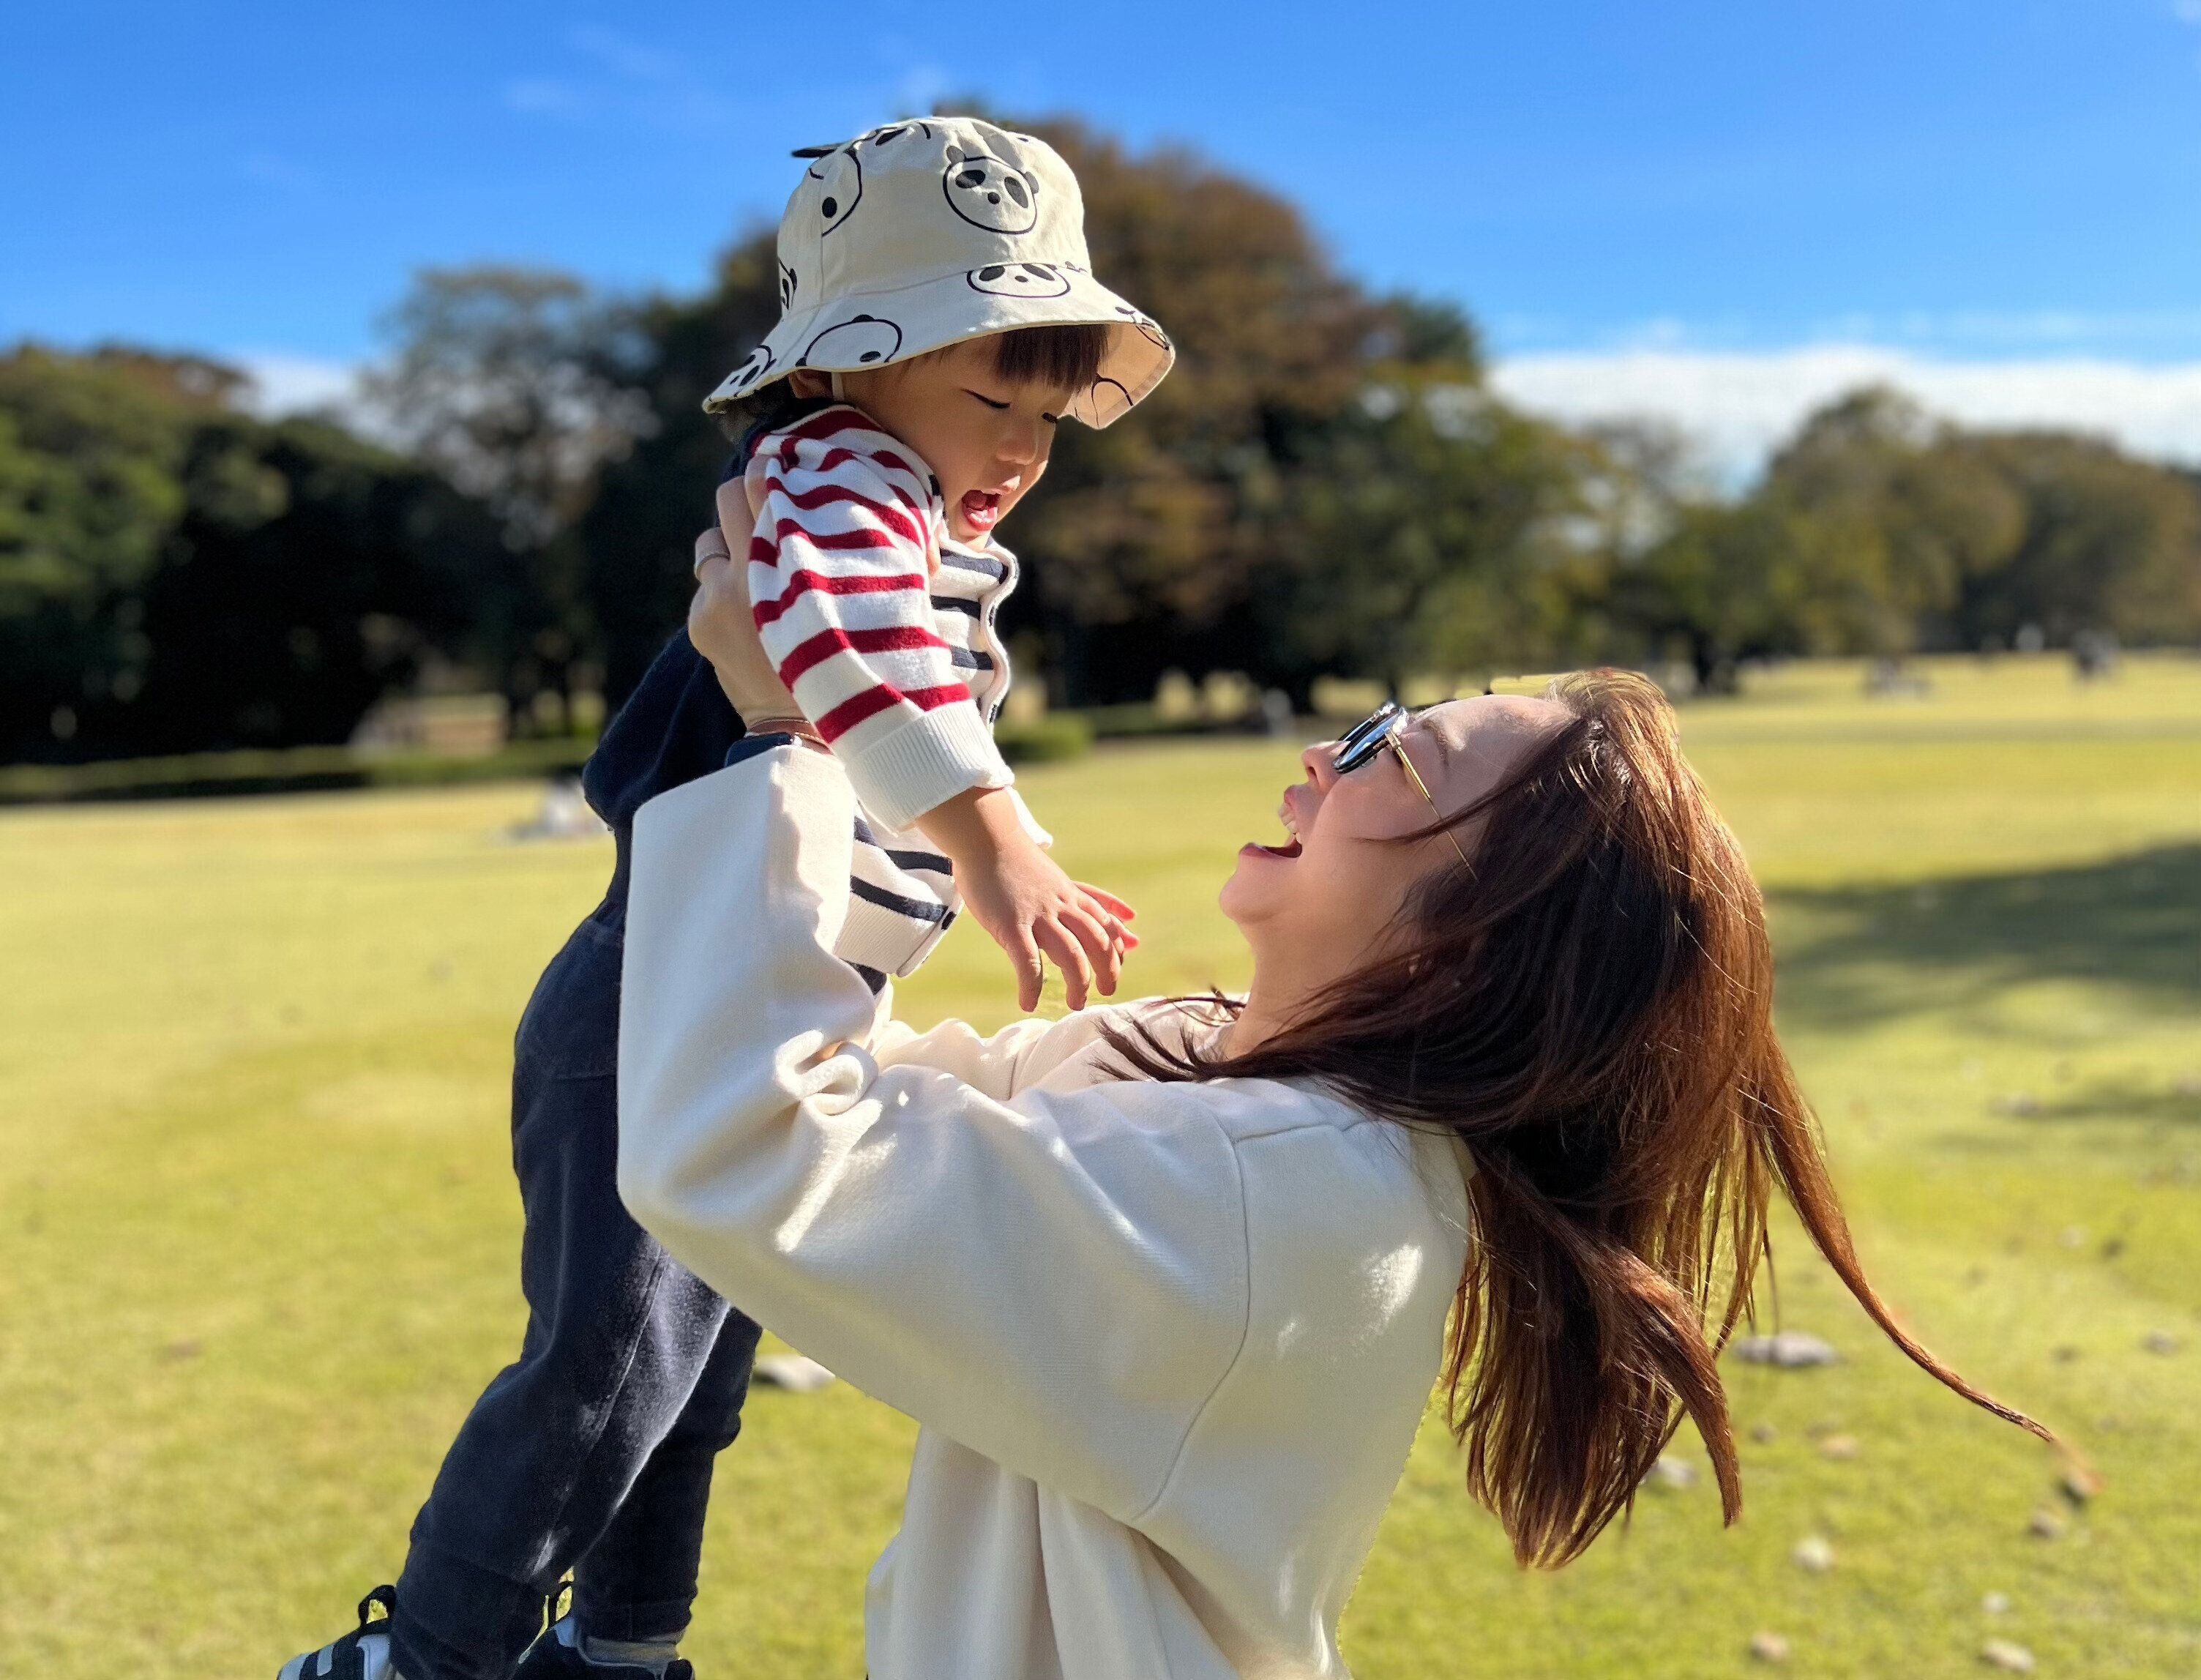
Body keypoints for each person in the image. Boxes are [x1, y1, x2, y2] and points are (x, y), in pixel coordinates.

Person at [609, 560, 2047, 1680]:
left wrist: (781, 740)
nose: (1321, 757)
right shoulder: (1221, 1079)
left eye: (1392, 764)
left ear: (1471, 943)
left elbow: (750, 1145)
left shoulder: (1274, 1183)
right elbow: (860, 1083)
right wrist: (894, 726)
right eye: (1364, 728)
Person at [280, 116, 1172, 1680]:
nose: (1027, 447)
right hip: (660, 996)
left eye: (1052, 411)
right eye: (991, 390)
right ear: (847, 364)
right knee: (604, 1370)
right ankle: (422, 1662)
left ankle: (621, 1653)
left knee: (690, 1380)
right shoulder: (840, 473)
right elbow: (846, 641)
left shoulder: (902, 490)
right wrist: (998, 842)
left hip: (756, 1007)